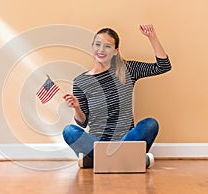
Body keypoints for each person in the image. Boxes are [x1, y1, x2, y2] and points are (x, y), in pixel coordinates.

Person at [62, 24, 172, 168]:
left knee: (150, 124)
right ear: (92, 47)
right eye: (98, 44)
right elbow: (82, 122)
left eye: (107, 46)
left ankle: (98, 161)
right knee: (69, 131)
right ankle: (131, 160)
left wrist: (152, 37)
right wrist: (76, 107)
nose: (101, 50)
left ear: (115, 51)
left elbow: (163, 66)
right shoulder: (81, 81)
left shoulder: (128, 70)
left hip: (126, 140)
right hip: (98, 142)